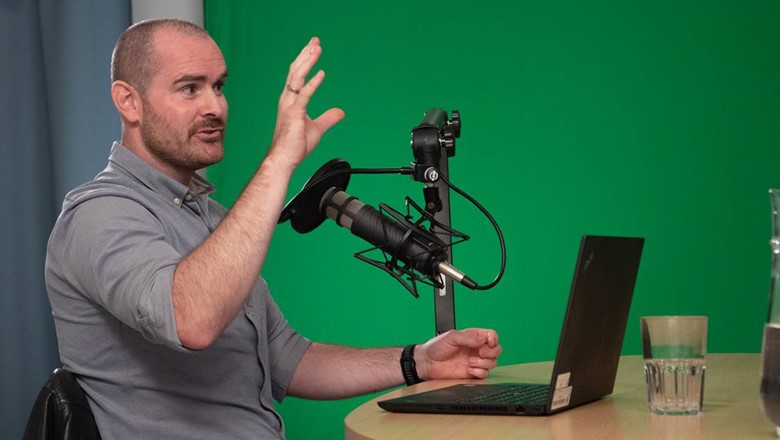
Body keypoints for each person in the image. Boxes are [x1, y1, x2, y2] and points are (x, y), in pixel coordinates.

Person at [44, 18, 502, 439]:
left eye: (218, 86)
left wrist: (418, 360)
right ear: (129, 101)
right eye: (189, 89)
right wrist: (280, 159)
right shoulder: (97, 215)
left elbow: (284, 357)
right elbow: (192, 321)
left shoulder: (210, 219)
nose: (215, 107)